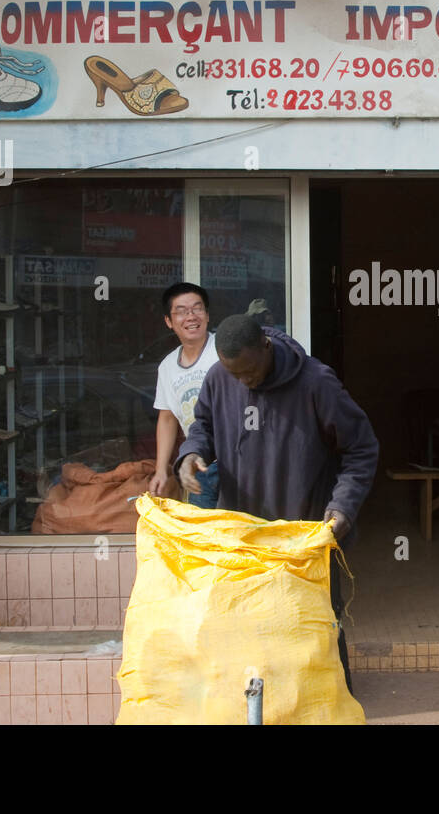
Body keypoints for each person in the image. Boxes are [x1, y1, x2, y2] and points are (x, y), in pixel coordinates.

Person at [175, 314, 379, 691]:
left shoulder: (316, 383)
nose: (244, 381)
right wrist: (191, 453)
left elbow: (362, 448)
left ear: (266, 348)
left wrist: (343, 506)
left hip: (305, 538)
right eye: (234, 374)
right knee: (248, 631)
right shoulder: (221, 377)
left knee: (316, 632)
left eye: (249, 371)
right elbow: (202, 424)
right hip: (245, 538)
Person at [149, 283, 221, 507]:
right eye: (181, 311)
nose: (190, 316)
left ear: (207, 315)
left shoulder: (225, 350)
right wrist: (161, 470)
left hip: (238, 463)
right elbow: (167, 418)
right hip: (198, 465)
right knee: (204, 533)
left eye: (197, 309)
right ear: (169, 322)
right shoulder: (168, 366)